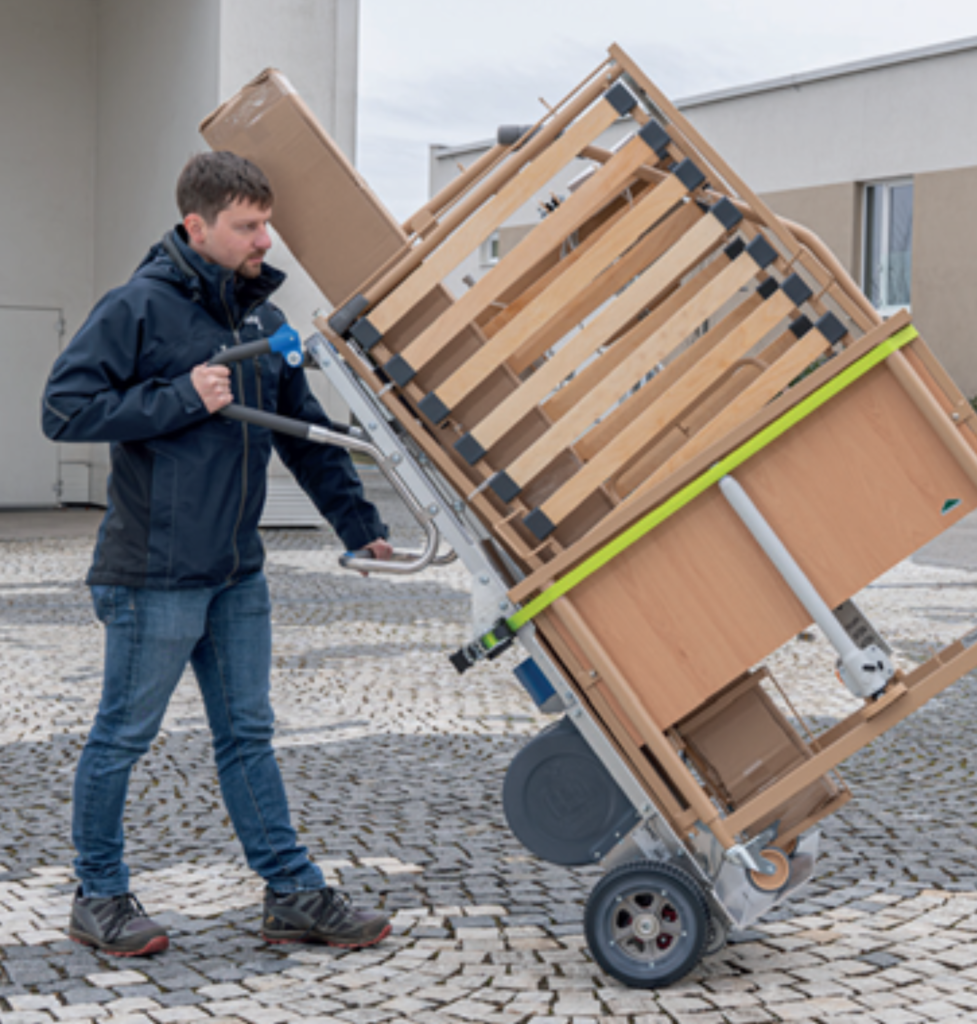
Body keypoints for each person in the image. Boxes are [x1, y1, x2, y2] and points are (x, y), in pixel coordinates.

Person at [42, 151, 394, 957]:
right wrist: (177, 397)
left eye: (265, 223)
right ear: (197, 226)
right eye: (247, 225)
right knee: (122, 737)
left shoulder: (264, 325)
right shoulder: (137, 306)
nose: (263, 239)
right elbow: (63, 409)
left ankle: (293, 894)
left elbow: (310, 437)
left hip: (237, 571)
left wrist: (356, 524)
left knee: (247, 735)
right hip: (154, 575)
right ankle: (98, 895)